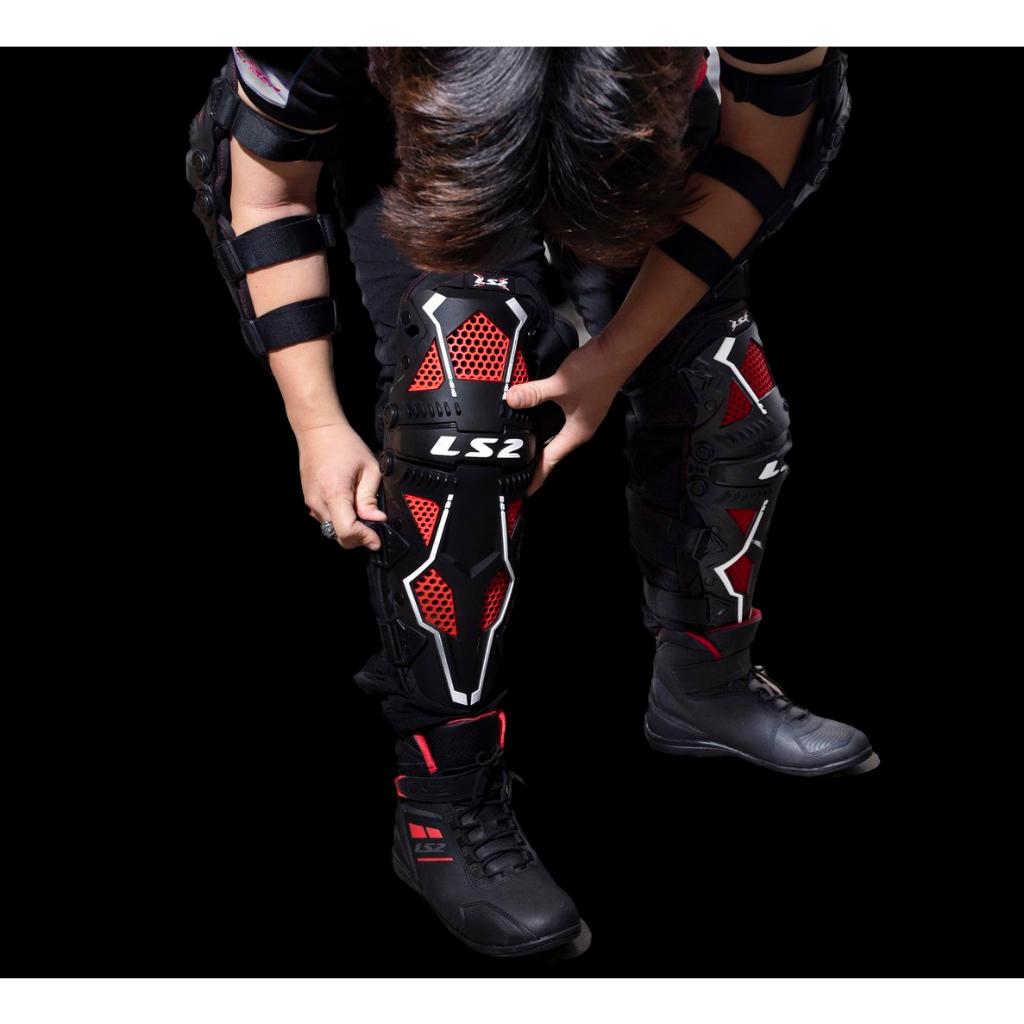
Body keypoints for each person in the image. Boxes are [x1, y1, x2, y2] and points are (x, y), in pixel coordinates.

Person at [186, 45, 877, 959]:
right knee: (460, 421)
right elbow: (269, 192)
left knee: (725, 391)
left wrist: (611, 357)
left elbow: (759, 150)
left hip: (647, 128)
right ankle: (442, 806)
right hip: (417, 130)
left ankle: (705, 684)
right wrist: (316, 421)